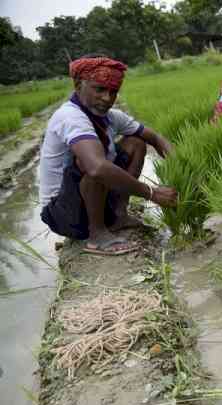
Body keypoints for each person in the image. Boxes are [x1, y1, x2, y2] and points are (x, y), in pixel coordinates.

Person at [39, 55, 178, 256]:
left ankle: (119, 215)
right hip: (62, 213)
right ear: (79, 85)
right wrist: (152, 193)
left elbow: (154, 137)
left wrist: (181, 165)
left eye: (113, 92)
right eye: (99, 89)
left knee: (136, 143)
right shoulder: (71, 117)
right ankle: (97, 236)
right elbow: (96, 168)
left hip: (91, 200)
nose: (107, 98)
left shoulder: (110, 117)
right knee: (93, 162)